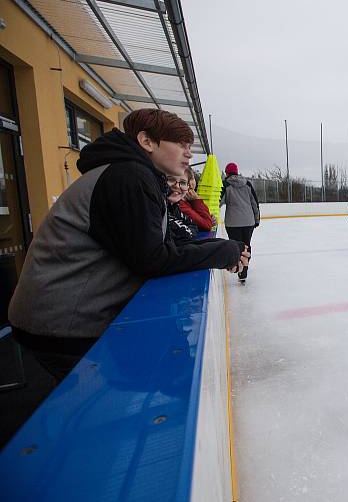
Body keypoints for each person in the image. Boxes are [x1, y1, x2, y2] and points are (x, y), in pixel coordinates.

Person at [7, 109, 248, 387]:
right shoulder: (127, 177)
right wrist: (223, 252)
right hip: (63, 323)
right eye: (180, 144)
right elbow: (152, 259)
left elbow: (157, 242)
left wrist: (221, 246)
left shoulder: (133, 174)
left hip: (58, 317)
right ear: (147, 142)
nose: (188, 154)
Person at [221, 162, 260, 282]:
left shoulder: (225, 184)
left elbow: (218, 202)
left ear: (227, 173)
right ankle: (244, 269)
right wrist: (256, 219)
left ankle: (240, 268)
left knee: (236, 246)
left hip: (233, 223)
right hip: (249, 221)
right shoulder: (247, 183)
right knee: (246, 244)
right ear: (237, 172)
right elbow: (255, 203)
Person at [178, 167, 215, 232]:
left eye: (192, 178)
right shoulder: (181, 204)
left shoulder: (189, 201)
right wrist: (196, 201)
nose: (191, 183)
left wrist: (210, 218)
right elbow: (207, 225)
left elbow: (206, 222)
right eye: (183, 181)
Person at [166, 173, 198, 244]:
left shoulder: (176, 206)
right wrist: (196, 201)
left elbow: (194, 225)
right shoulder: (160, 206)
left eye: (183, 182)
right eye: (171, 180)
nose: (177, 186)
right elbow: (205, 224)